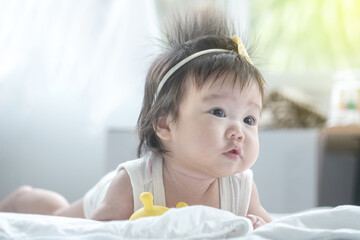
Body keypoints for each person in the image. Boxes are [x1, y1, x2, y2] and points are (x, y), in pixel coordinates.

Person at [0, 5, 271, 229]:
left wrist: (256, 224)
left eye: (250, 120)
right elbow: (97, 231)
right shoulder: (132, 182)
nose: (239, 131)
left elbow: (270, 228)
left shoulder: (241, 188)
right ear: (165, 123)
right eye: (219, 112)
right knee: (58, 217)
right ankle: (24, 199)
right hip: (106, 199)